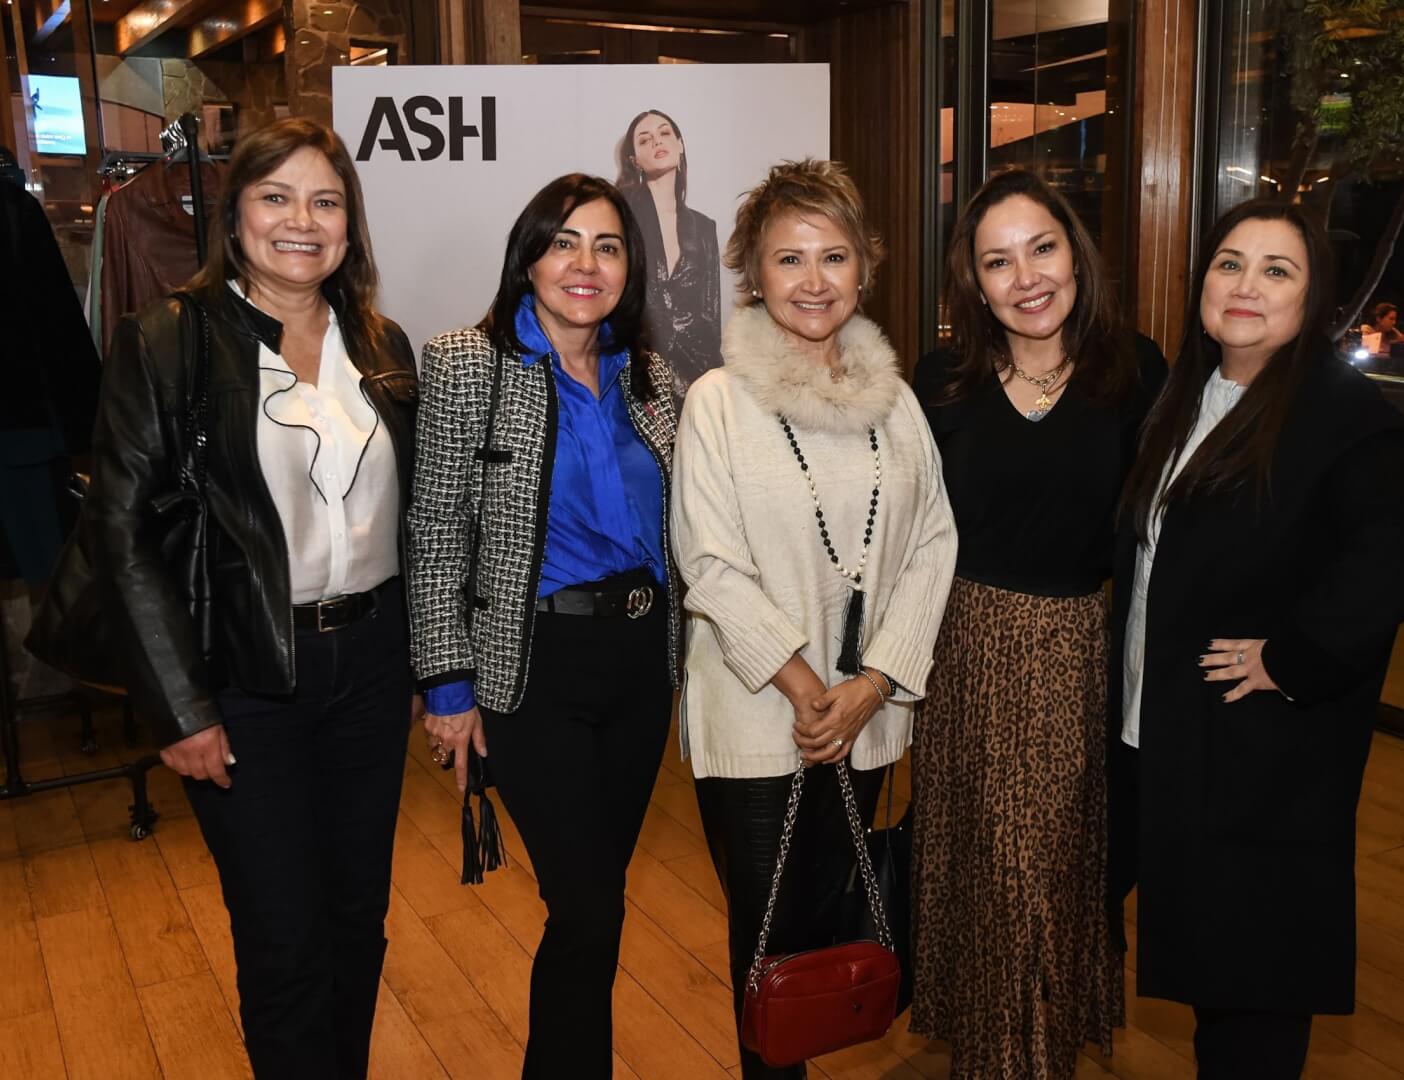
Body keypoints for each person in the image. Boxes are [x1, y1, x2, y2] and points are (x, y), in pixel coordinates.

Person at [84, 117, 418, 1079]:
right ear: (235, 217)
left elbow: (416, 521)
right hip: (242, 678)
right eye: (277, 197)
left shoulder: (379, 343)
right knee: (284, 939)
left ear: (350, 224)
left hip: (370, 669)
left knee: (356, 920)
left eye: (326, 201)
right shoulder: (167, 339)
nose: (301, 221)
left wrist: (420, 668)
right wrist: (179, 705)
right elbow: (119, 533)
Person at [1112, 200, 1404, 1080]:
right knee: (1214, 973)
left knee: (1252, 993)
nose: (1246, 286)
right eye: (1229, 263)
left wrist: (1289, 658)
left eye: (1276, 270)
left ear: (1312, 297)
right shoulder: (1184, 397)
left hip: (1264, 761)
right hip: (1174, 739)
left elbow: (1402, 561)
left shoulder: (1344, 415)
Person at [672, 159, 957, 1080]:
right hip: (763, 720)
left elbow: (934, 543)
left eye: (833, 256)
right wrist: (808, 690)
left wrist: (871, 685)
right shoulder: (718, 402)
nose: (813, 280)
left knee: (837, 926)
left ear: (864, 267)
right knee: (773, 955)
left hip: (862, 720)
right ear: (753, 274)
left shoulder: (897, 404)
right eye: (788, 259)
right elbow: (708, 562)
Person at [407, 173, 680, 1079]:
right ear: (528, 258)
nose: (585, 263)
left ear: (629, 268)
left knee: (593, 906)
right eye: (563, 242)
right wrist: (448, 690)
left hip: (640, 666)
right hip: (532, 668)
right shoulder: (467, 363)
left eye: (607, 246)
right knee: (589, 905)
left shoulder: (651, 377)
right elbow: (435, 529)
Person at [908, 167, 1165, 1078]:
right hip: (961, 650)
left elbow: (1173, 525)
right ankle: (991, 1044)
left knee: (1044, 870)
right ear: (974, 284)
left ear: (1075, 254)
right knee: (978, 863)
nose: (1027, 277)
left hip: (1074, 650)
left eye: (1042, 248)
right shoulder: (941, 379)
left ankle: (1029, 1052)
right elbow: (903, 525)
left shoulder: (1135, 370)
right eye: (998, 261)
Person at [616, 108, 722, 404]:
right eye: (644, 139)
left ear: (680, 145)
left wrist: (714, 378)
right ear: (635, 160)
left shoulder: (704, 227)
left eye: (664, 133)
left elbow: (711, 311)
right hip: (640, 369)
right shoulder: (621, 216)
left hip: (697, 372)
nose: (657, 141)